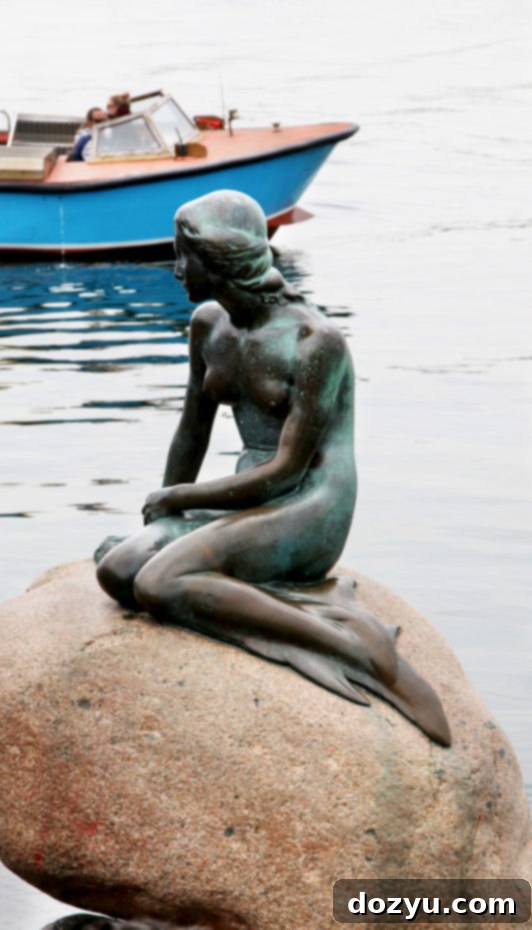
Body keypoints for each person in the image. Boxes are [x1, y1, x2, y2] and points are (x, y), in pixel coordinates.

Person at [96, 190, 450, 746]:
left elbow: (287, 470)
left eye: (182, 256)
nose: (174, 269)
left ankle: (354, 646)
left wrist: (182, 502)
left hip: (308, 503)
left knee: (162, 581)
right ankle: (246, 591)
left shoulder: (316, 341)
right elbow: (192, 430)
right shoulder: (208, 325)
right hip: (244, 496)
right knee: (119, 571)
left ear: (218, 261)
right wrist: (161, 519)